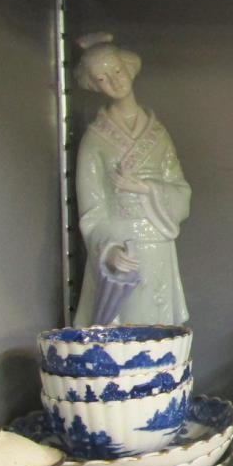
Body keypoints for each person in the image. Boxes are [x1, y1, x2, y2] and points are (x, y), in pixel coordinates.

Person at [72, 33, 191, 326]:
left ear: (128, 67)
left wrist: (147, 189)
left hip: (157, 238)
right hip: (121, 246)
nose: (114, 81)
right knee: (123, 329)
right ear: (94, 84)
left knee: (158, 327)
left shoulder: (158, 135)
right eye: (102, 78)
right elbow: (92, 210)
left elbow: (181, 190)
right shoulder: (95, 140)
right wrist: (108, 250)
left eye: (116, 70)